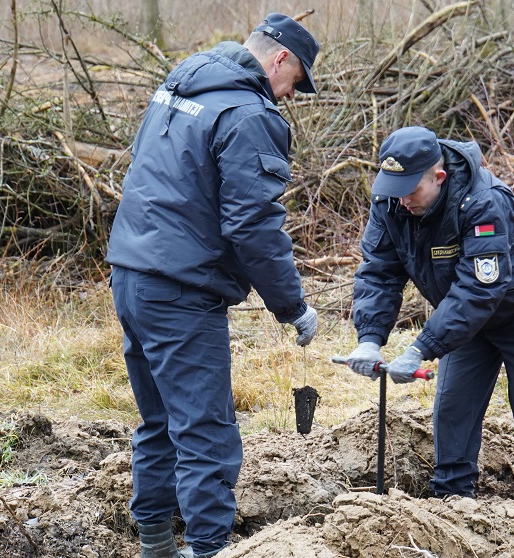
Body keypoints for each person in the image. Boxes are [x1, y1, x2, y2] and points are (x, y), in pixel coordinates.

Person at [106, 13, 320, 558]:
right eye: (294, 82)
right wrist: (292, 306)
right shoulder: (248, 114)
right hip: (180, 291)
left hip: (130, 274)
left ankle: (156, 545)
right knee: (206, 431)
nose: (288, 96)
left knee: (160, 421)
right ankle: (208, 549)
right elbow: (253, 224)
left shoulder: (181, 85)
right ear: (280, 59)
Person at [346, 126, 514, 501]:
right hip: (464, 320)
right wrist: (369, 339)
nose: (402, 200)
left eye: (411, 190)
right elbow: (378, 272)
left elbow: (480, 288)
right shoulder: (390, 202)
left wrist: (420, 348)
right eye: (395, 189)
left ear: (439, 177)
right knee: (452, 412)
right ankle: (451, 501)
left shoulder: (483, 201)